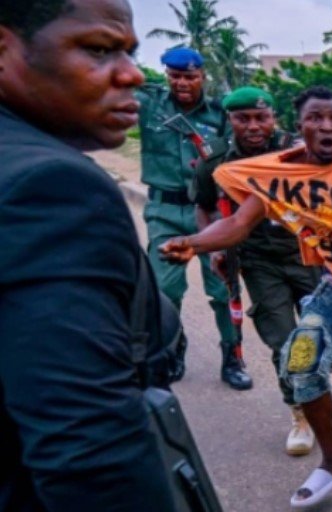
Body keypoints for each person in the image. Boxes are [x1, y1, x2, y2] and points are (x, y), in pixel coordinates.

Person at [161, 86, 332, 509]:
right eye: (317, 118)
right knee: (299, 363)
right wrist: (194, 242)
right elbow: (237, 226)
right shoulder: (278, 175)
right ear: (301, 126)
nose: (328, 126)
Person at [0, 0, 179, 509]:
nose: (132, 76)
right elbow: (90, 453)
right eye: (99, 50)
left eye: (130, 53)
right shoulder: (50, 187)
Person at [193, 86, 321, 456]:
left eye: (260, 118)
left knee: (319, 338)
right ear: (230, 120)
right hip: (258, 261)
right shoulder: (215, 160)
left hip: (307, 255)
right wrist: (211, 243)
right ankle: (300, 413)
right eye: (242, 118)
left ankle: (316, 391)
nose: (252, 126)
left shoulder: (296, 152)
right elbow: (203, 206)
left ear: (273, 119)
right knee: (284, 342)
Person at [136, 46, 248, 389]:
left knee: (224, 286)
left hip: (212, 213)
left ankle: (233, 356)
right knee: (165, 289)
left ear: (202, 77)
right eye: (175, 76)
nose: (182, 83)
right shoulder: (149, 105)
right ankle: (173, 346)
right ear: (166, 76)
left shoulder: (219, 113)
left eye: (190, 76)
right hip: (165, 211)